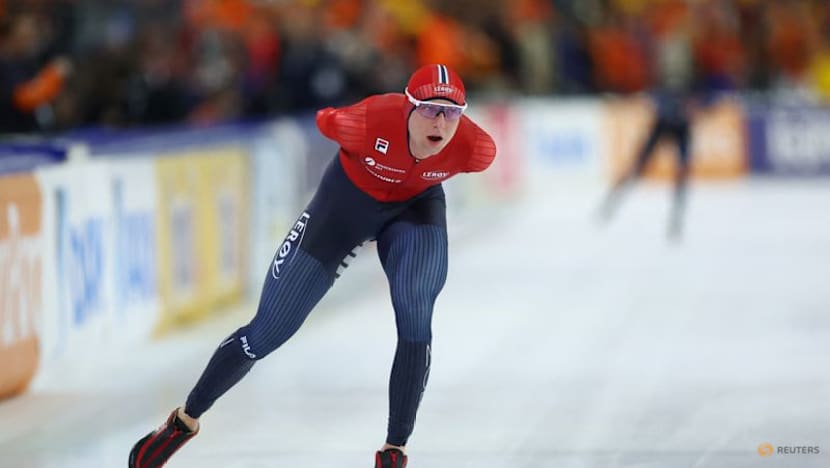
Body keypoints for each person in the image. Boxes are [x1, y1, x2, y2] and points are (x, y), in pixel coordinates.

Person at [128, 63, 496, 468]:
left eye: (452, 113)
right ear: (407, 108)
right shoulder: (366, 121)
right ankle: (184, 421)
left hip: (413, 211)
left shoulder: (475, 148)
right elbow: (324, 121)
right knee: (266, 333)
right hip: (341, 212)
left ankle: (394, 450)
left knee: (416, 316)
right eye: (429, 109)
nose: (441, 123)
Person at [597, 88, 694, 239]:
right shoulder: (664, 85)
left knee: (681, 173)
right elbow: (649, 98)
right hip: (663, 124)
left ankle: (677, 218)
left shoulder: (689, 84)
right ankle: (610, 203)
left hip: (680, 128)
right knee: (638, 166)